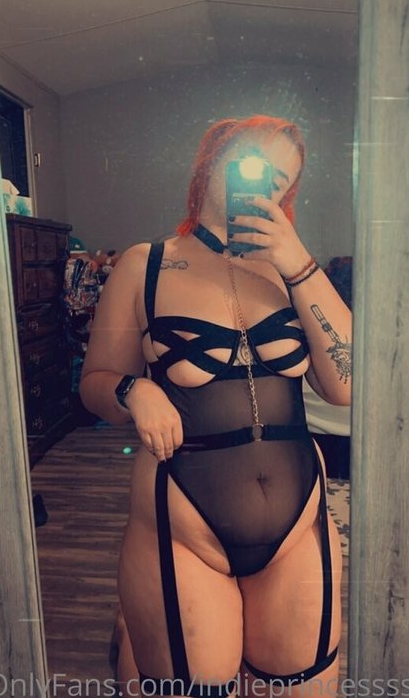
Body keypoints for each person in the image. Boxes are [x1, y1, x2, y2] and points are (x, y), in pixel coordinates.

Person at [79, 115, 352, 697]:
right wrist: (134, 390)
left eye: (278, 181)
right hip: (184, 524)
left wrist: (298, 262)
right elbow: (94, 381)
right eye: (253, 162)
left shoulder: (295, 273)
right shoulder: (146, 264)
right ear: (212, 160)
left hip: (298, 523)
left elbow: (347, 384)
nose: (263, 184)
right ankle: (134, 636)